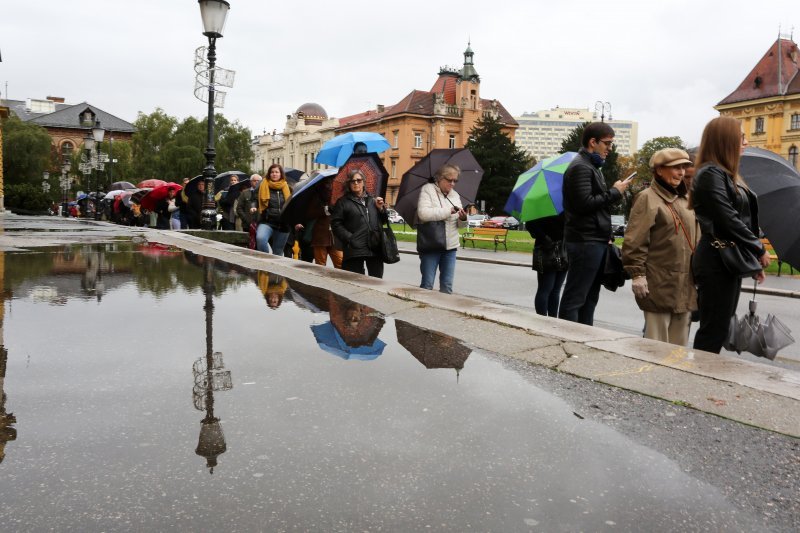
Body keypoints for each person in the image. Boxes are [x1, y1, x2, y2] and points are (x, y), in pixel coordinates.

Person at [690, 117, 770, 353]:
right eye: (742, 137)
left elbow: (740, 218)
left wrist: (752, 257)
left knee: (720, 326)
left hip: (726, 256)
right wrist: (759, 248)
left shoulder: (724, 173)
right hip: (716, 257)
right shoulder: (710, 173)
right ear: (726, 140)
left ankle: (703, 377)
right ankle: (697, 379)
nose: (746, 141)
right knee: (714, 328)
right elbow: (728, 219)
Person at [622, 148, 698, 345]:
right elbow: (635, 240)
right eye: (675, 167)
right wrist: (637, 274)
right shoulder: (647, 198)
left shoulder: (687, 199)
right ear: (659, 170)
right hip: (658, 285)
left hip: (685, 286)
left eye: (683, 167)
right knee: (655, 348)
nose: (681, 172)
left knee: (678, 351)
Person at [558, 122, 631, 325]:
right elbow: (584, 204)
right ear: (593, 142)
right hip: (585, 241)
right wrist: (615, 192)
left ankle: (582, 341)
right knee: (575, 298)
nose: (610, 148)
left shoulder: (591, 166)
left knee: (589, 298)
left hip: (593, 240)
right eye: (607, 144)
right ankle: (565, 340)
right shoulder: (581, 166)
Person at [416, 164, 466, 294]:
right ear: (440, 178)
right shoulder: (428, 189)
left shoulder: (455, 195)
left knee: (447, 286)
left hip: (450, 248)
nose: (453, 183)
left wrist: (463, 219)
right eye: (450, 180)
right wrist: (448, 211)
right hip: (431, 244)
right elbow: (423, 214)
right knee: (427, 285)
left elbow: (459, 226)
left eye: (455, 180)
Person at [330, 169, 388, 278]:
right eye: (353, 181)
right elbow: (336, 224)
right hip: (354, 249)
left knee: (376, 281)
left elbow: (383, 221)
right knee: (354, 281)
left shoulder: (373, 200)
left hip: (374, 247)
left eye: (359, 180)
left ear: (364, 182)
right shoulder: (342, 202)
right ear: (349, 184)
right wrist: (350, 238)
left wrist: (381, 210)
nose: (356, 183)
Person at [295, 175, 342, 268]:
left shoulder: (337, 195)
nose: (329, 186)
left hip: (335, 235)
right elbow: (308, 213)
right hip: (319, 235)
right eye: (327, 183)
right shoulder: (314, 196)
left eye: (330, 183)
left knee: (340, 264)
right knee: (320, 266)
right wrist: (325, 210)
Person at [526, 213, 567, 316]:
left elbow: (530, 225)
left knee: (551, 289)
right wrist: (544, 238)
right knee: (548, 288)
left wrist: (543, 237)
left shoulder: (540, 207)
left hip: (556, 248)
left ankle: (549, 318)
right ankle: (545, 318)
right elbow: (530, 225)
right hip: (550, 249)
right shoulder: (565, 205)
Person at [256, 164, 292, 255]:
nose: (274, 174)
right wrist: (253, 206)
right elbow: (253, 197)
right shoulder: (263, 184)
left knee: (278, 253)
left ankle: (274, 268)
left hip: (283, 224)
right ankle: (265, 259)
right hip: (267, 221)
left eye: (276, 172)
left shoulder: (287, 186)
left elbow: (293, 204)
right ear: (269, 174)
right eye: (272, 172)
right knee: (260, 238)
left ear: (281, 174)